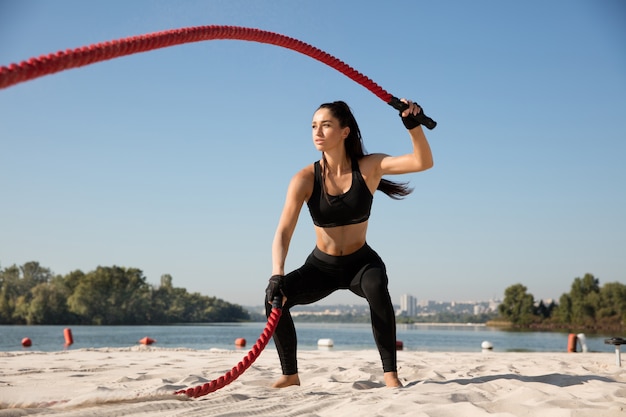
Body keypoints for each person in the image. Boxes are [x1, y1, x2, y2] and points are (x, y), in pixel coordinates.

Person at [265, 98, 434, 388]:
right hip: (322, 266)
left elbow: (423, 162)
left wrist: (412, 125)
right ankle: (290, 374)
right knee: (275, 299)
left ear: (344, 132)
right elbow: (283, 231)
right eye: (314, 126)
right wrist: (277, 273)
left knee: (377, 288)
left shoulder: (369, 167)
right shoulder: (304, 178)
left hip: (361, 263)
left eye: (326, 125)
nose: (317, 132)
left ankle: (390, 374)